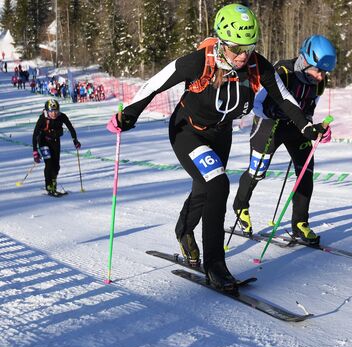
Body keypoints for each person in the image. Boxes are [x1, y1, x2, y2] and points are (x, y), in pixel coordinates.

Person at [107, 3, 328, 293]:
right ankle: (216, 266)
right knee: (218, 184)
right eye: (236, 48)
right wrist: (128, 116)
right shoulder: (200, 61)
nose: (242, 56)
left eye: (249, 48)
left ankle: (183, 230)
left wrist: (307, 128)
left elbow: (285, 98)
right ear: (221, 42)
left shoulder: (255, 65)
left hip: (221, 136)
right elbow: (154, 84)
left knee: (204, 189)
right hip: (188, 132)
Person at [233, 35, 337, 244]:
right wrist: (273, 110)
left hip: (296, 127)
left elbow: (308, 109)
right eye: (318, 70)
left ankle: (300, 223)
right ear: (306, 60)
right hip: (269, 125)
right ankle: (240, 206)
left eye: (325, 72)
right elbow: (257, 104)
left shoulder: (318, 84)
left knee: (305, 172)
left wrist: (318, 130)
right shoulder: (282, 71)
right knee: (257, 171)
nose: (321, 76)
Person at [32, 99, 81, 196]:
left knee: (56, 165)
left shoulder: (61, 116)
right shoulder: (43, 119)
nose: (54, 114)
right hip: (44, 141)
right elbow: (35, 134)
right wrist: (35, 151)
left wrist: (75, 140)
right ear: (47, 111)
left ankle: (53, 184)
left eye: (56, 111)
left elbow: (71, 128)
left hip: (55, 142)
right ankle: (48, 186)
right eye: (51, 111)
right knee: (49, 163)